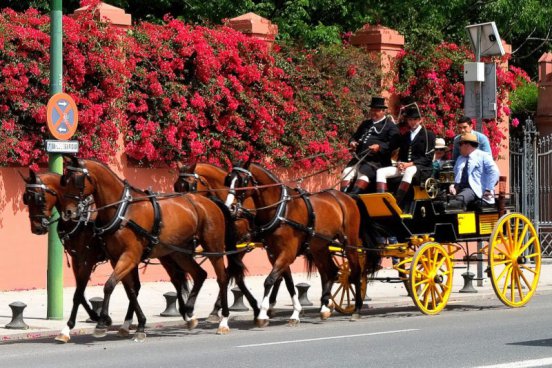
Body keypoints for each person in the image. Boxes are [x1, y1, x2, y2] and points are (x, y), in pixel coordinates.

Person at [375, 103, 435, 208]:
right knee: (381, 172)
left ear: (420, 120)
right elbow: (401, 155)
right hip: (406, 166)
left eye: (414, 120)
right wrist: (400, 163)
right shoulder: (405, 136)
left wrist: (410, 164)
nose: (412, 122)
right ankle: (382, 201)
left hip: (422, 169)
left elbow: (428, 158)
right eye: (410, 120)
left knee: (409, 170)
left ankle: (396, 202)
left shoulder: (428, 134)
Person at [341, 96, 400, 194]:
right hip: (359, 159)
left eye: (376, 110)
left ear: (383, 111)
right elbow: (354, 137)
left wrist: (379, 147)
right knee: (346, 172)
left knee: (363, 174)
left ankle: (353, 196)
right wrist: (352, 142)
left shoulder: (390, 126)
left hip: (376, 162)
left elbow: (394, 144)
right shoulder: (365, 123)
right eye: (372, 110)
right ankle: (343, 195)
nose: (373, 112)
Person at [448, 132, 499, 209]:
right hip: (460, 189)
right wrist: (452, 186)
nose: (459, 148)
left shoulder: (483, 156)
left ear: (467, 145)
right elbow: (455, 174)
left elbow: (494, 172)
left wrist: (488, 189)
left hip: (476, 190)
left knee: (459, 200)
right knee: (444, 200)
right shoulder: (460, 158)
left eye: (460, 145)